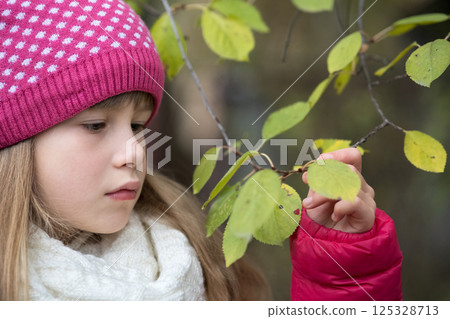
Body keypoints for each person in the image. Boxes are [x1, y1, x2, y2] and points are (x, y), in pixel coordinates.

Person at [0, 0, 402, 301]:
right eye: (95, 125)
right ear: (16, 139)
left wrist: (343, 270)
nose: (136, 153)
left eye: (138, 126)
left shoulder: (194, 259)